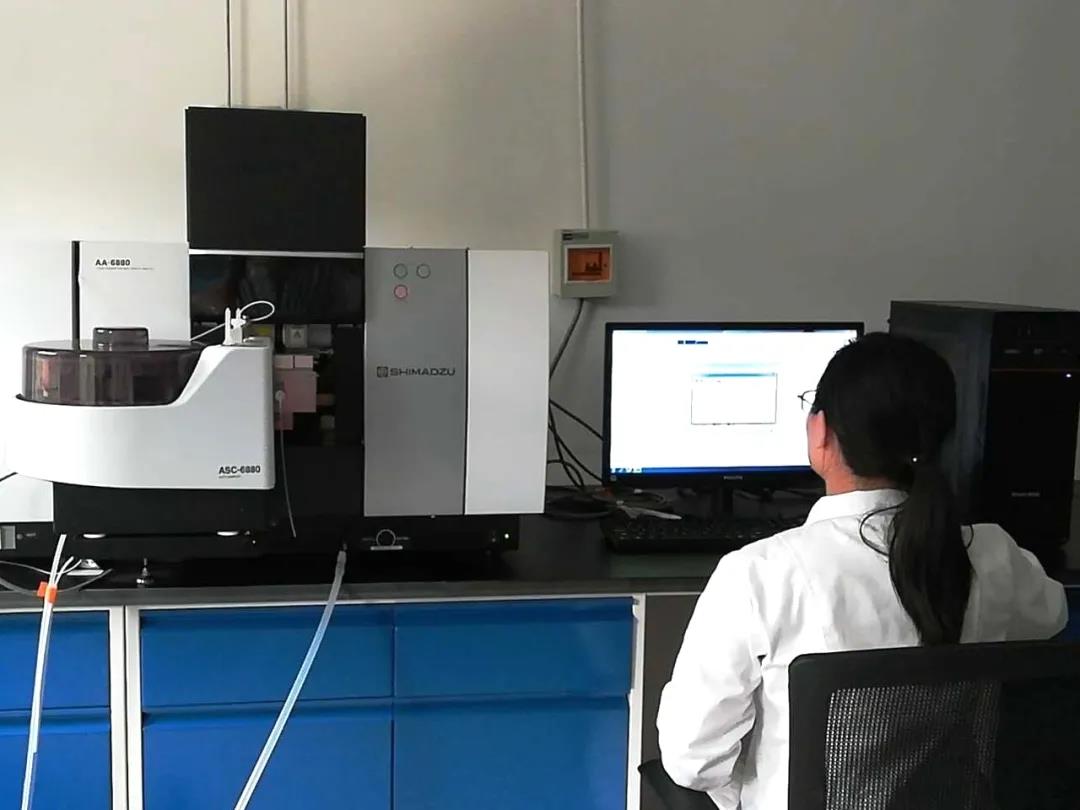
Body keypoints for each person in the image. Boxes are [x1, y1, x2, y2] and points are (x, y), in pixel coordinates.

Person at [656, 332, 1068, 810]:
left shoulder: (760, 574)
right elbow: (1053, 617)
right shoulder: (994, 554)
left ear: (821, 430)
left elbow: (694, 760)